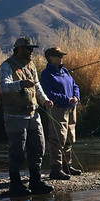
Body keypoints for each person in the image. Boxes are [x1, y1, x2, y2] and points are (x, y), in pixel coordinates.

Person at [0, 36, 54, 196]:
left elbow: (37, 86)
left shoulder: (31, 65)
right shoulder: (6, 66)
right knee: (17, 150)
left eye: (32, 49)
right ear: (19, 49)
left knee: (38, 147)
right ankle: (15, 184)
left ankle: (35, 182)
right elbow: (3, 87)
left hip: (33, 114)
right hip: (14, 116)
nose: (31, 52)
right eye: (29, 49)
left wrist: (45, 101)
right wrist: (21, 84)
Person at [39, 46, 82, 180]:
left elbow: (75, 86)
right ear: (51, 58)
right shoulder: (46, 74)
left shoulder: (65, 71)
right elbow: (48, 93)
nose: (61, 58)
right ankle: (56, 169)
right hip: (57, 109)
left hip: (70, 108)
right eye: (59, 56)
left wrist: (76, 97)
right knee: (57, 138)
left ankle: (67, 166)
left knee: (69, 137)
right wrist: (66, 99)